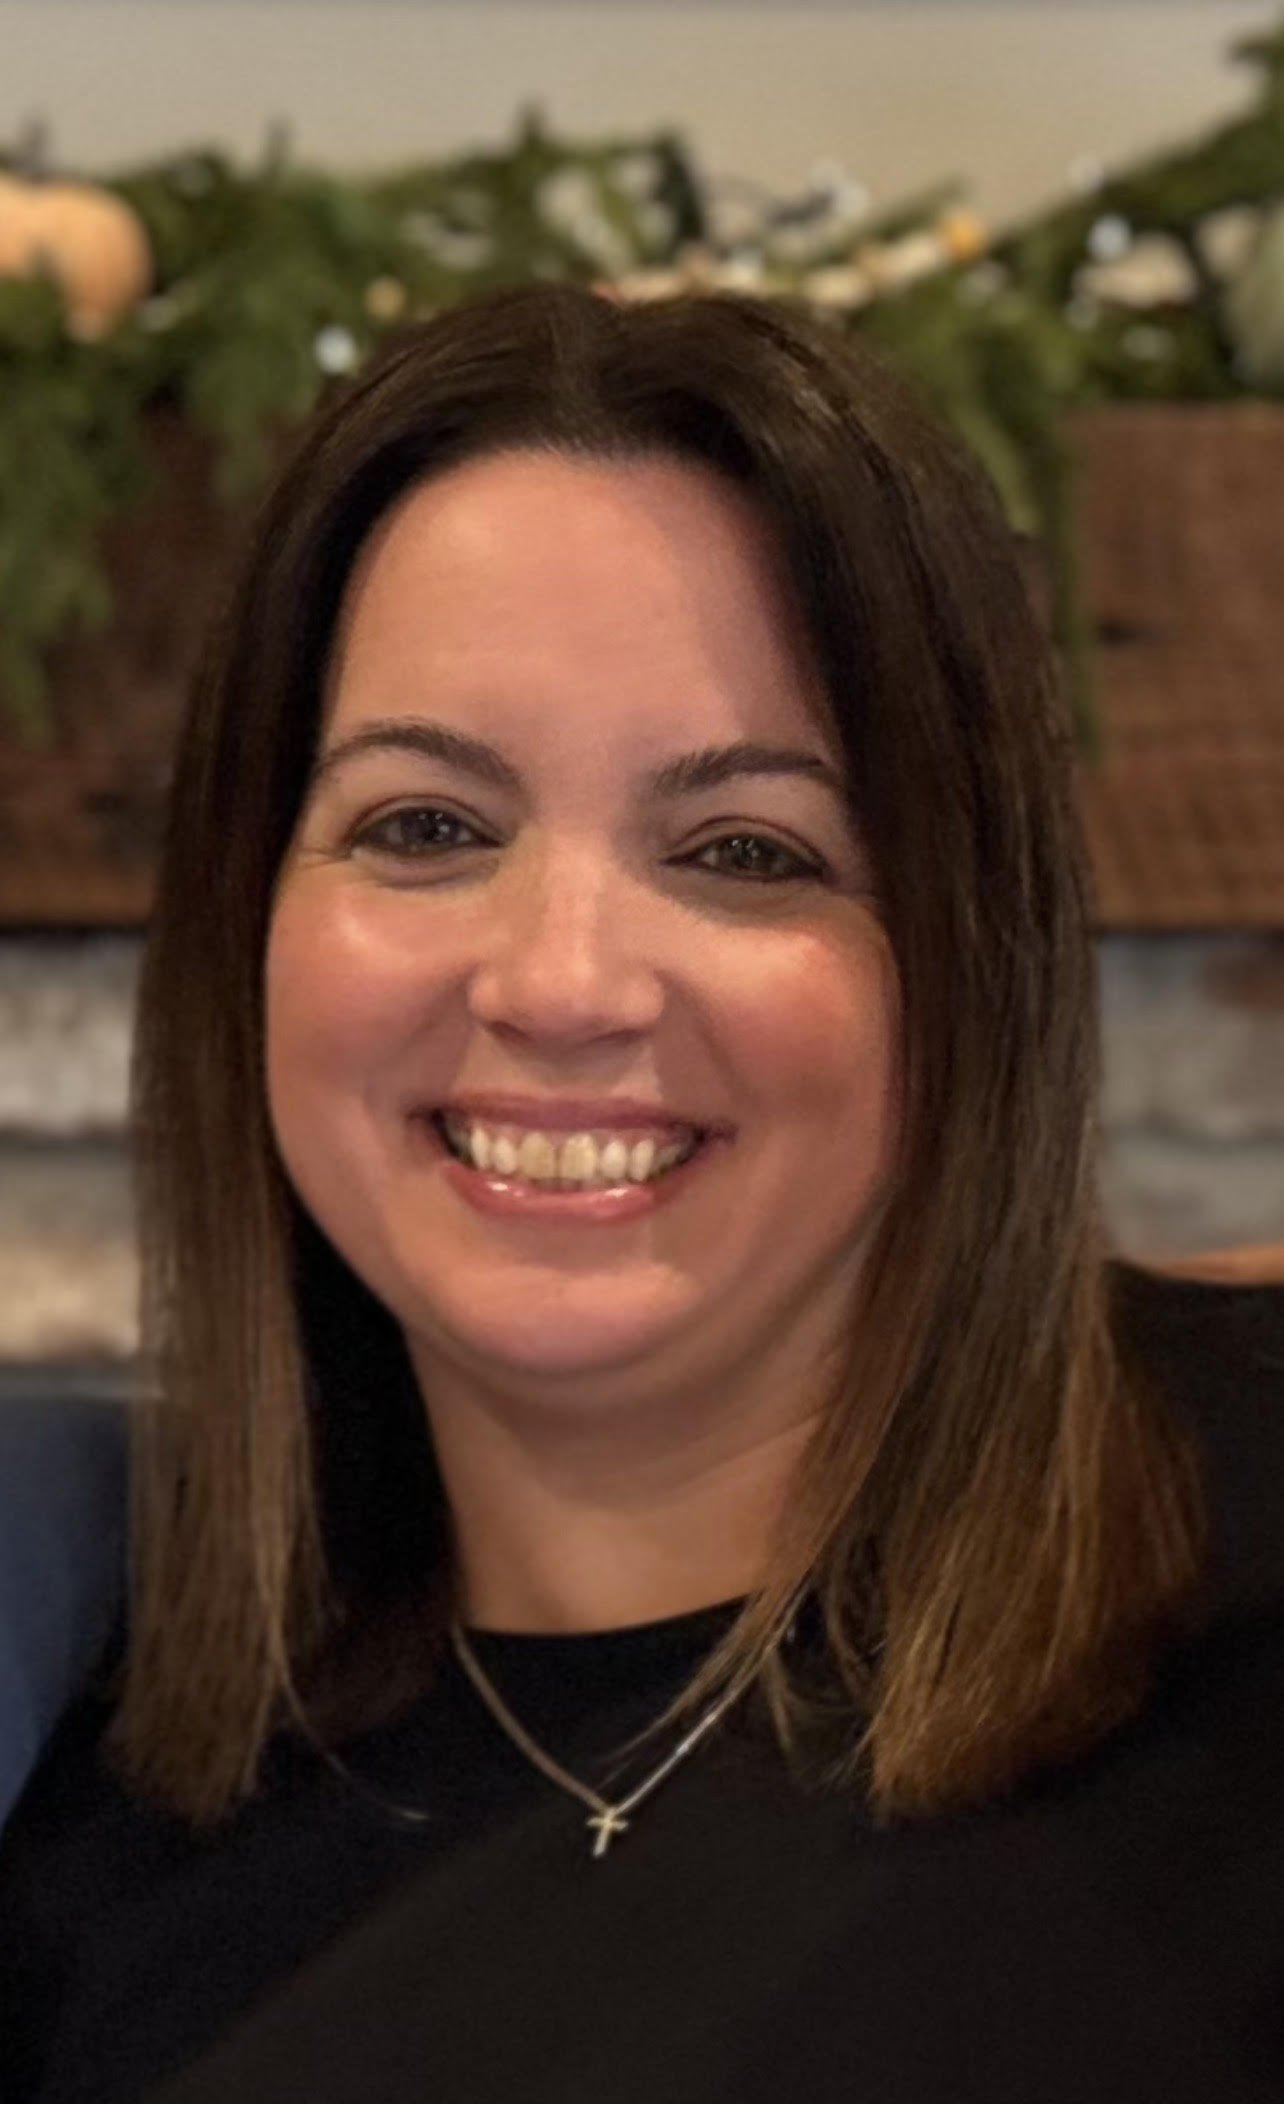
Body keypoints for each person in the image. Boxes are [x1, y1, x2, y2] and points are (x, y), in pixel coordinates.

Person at [0, 281, 1281, 2104]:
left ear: (963, 962)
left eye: (744, 850)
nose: (560, 979)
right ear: (249, 925)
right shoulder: (88, 1801)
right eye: (424, 827)